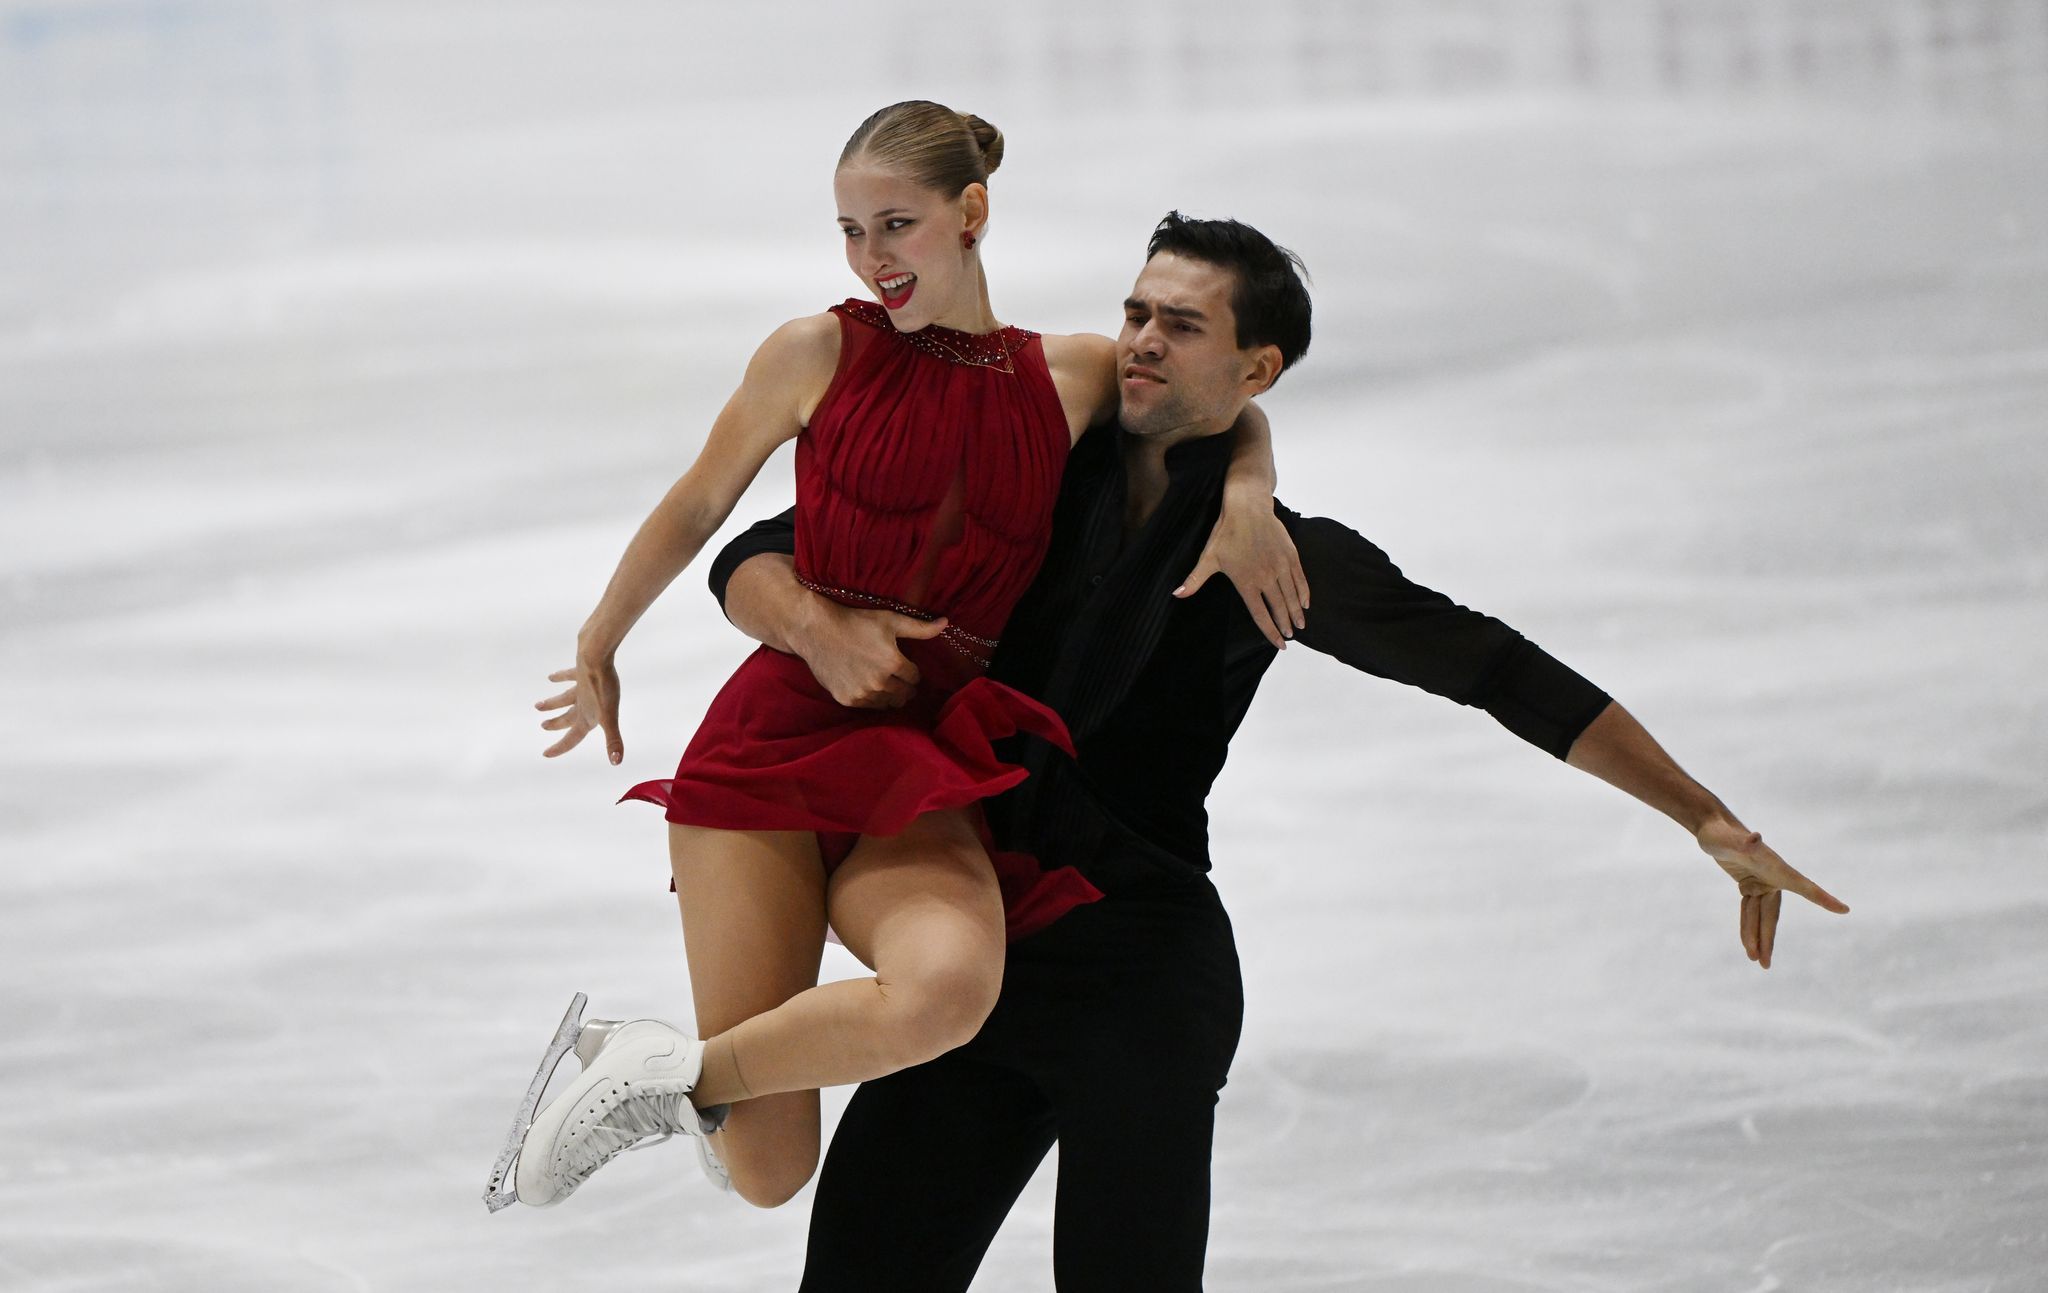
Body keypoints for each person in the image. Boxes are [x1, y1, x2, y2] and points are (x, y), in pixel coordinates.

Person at [705, 212, 1851, 1291]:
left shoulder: (1279, 562)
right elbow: (762, 550)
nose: (1141, 342)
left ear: (1256, 370)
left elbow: (1493, 669)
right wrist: (811, 626)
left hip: (1138, 989)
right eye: (1135, 313)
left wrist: (1701, 816)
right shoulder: (1028, 467)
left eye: (1181, 326)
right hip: (976, 956)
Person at [483, 106, 1307, 1215]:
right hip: (774, 743)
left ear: (971, 213)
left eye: (896, 224)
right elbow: (698, 504)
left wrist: (1250, 490)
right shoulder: (815, 350)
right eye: (849, 230)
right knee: (770, 1172)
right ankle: (658, 1074)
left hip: (923, 754)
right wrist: (599, 638)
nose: (872, 257)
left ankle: (652, 1069)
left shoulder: (1069, 375)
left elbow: (1215, 403)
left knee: (945, 993)